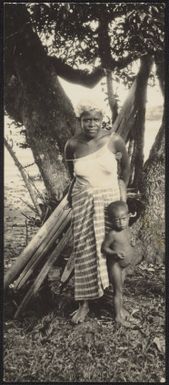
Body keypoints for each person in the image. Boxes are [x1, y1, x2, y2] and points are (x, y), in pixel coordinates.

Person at [64, 100, 130, 324]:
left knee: (113, 252)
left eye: (96, 119)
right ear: (79, 120)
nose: (91, 124)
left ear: (103, 119)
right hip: (83, 202)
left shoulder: (114, 141)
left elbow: (125, 170)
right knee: (84, 251)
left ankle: (118, 305)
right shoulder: (72, 144)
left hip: (109, 202)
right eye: (86, 120)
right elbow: (70, 174)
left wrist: (122, 201)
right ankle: (84, 304)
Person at [101, 200, 135, 327]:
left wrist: (132, 243)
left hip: (124, 266)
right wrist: (114, 254)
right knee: (118, 291)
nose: (121, 222)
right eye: (117, 220)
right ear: (110, 220)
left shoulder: (127, 229)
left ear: (128, 216)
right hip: (115, 265)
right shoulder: (112, 234)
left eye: (123, 219)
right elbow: (104, 248)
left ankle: (120, 309)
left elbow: (128, 241)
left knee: (121, 288)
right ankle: (117, 317)